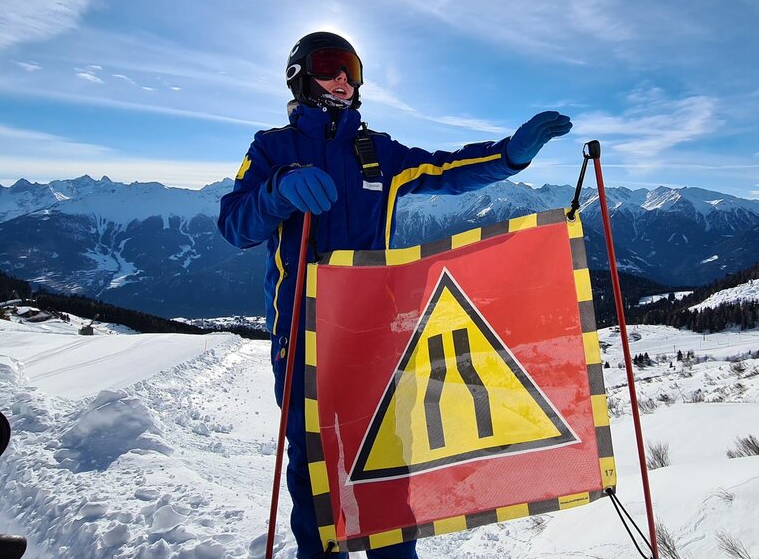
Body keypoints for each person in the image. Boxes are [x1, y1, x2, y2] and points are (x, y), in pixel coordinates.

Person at [217, 31, 571, 559]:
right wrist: (277, 191)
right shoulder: (272, 148)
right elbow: (233, 225)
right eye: (331, 65)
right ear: (299, 74)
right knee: (313, 469)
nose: (344, 79)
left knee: (387, 458)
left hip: (372, 334)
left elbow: (446, 171)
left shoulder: (376, 152)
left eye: (353, 69)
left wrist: (507, 156)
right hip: (302, 334)